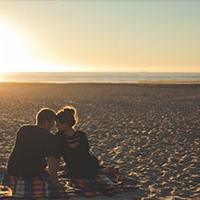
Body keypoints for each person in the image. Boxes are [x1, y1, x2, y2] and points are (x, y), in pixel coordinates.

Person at [6, 108, 59, 186]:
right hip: (29, 172)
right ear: (47, 122)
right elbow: (52, 161)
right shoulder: (49, 137)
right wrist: (55, 181)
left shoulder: (23, 129)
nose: (54, 126)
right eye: (53, 123)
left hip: (12, 169)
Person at [55, 106, 100, 178]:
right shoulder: (81, 134)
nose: (56, 125)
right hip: (84, 166)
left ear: (66, 124)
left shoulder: (59, 136)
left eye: (58, 123)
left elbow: (83, 154)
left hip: (87, 166)